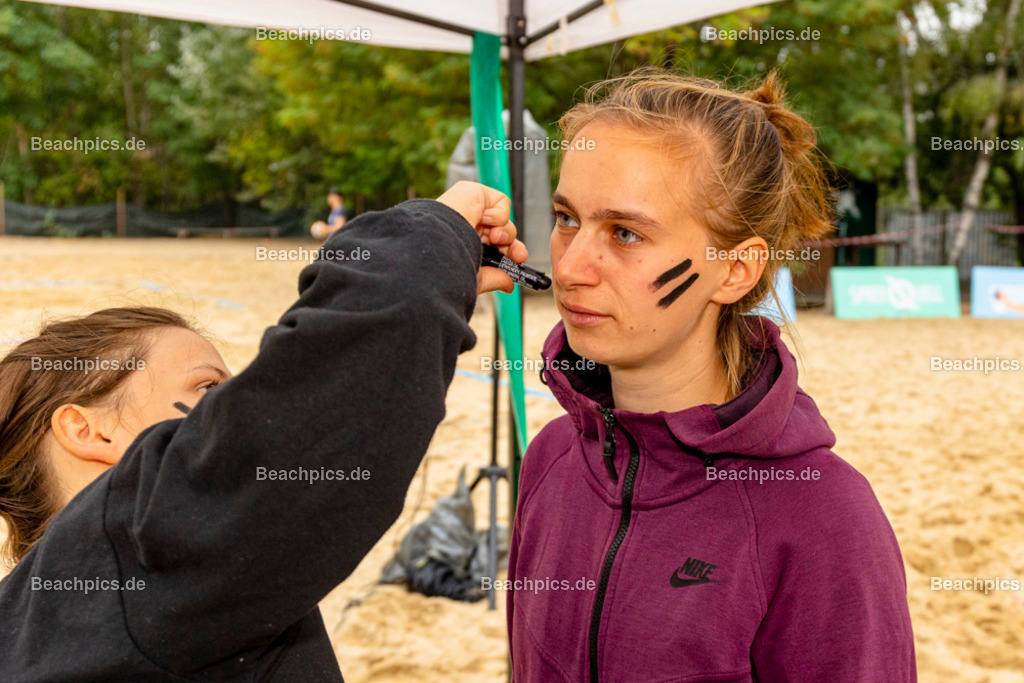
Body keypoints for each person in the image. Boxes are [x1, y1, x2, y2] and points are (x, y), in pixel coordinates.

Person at [0, 181, 525, 680]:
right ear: (86, 429)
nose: (231, 410)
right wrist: (434, 233)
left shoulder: (46, 613)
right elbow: (330, 396)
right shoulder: (145, 566)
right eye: (208, 389)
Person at [506, 68, 917, 682]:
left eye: (625, 233)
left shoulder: (826, 520)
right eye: (567, 218)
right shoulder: (550, 457)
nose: (569, 268)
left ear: (735, 270)